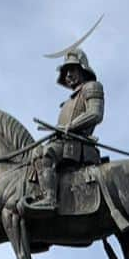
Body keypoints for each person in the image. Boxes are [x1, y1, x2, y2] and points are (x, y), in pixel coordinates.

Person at [26, 47, 105, 212]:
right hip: (64, 142)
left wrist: (70, 126)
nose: (68, 75)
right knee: (34, 153)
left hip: (78, 145)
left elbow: (95, 113)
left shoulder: (92, 87)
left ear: (82, 69)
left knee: (44, 154)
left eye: (72, 69)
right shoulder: (69, 101)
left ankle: (50, 198)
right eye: (66, 72)